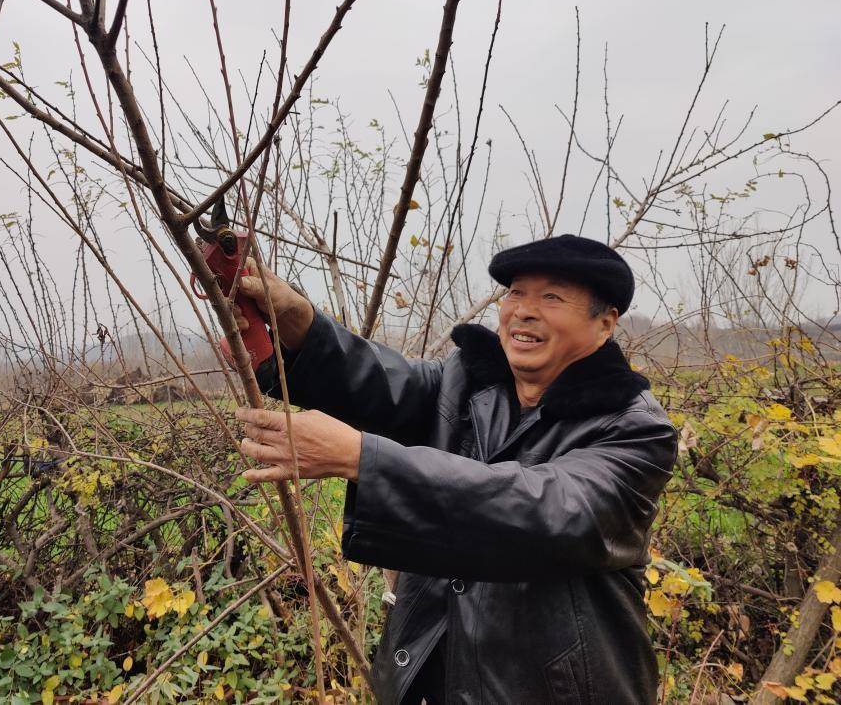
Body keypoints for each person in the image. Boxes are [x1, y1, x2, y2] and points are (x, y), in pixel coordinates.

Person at [234, 234, 678, 704]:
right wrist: (300, 324)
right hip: (431, 677)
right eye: (515, 292)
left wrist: (363, 459)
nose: (524, 310)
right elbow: (381, 382)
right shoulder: (469, 383)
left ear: (605, 323)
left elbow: (547, 511)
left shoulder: (635, 430)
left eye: (551, 297)